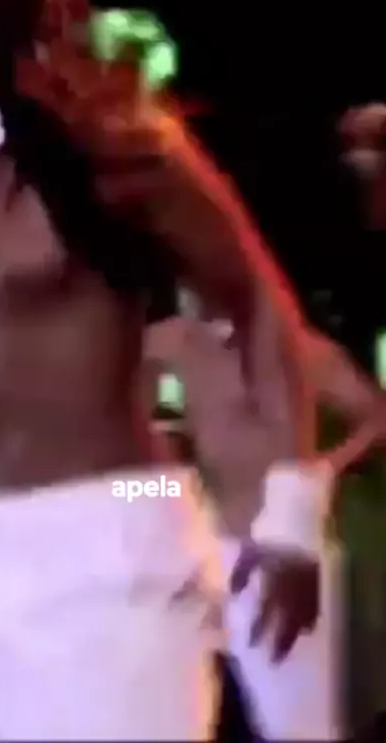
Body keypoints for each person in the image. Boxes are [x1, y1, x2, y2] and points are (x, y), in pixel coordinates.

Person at [0, 0, 317, 741]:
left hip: (120, 521)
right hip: (8, 549)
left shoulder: (117, 147)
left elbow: (259, 302)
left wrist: (295, 523)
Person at [146, 289, 386, 740]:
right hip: (203, 547)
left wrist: (325, 468)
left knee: (295, 723)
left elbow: (378, 417)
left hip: (279, 553)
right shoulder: (171, 342)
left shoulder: (302, 351)